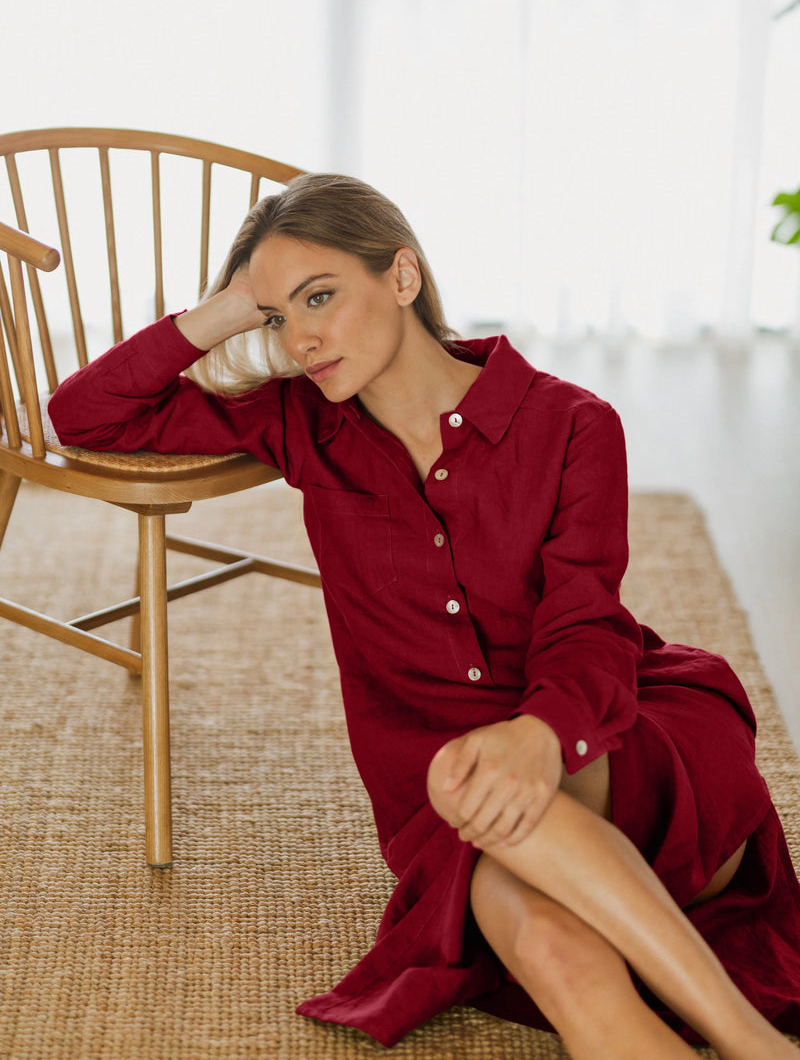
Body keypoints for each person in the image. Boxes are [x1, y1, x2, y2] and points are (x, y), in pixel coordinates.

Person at [48, 173, 800, 1060]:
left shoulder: (571, 423)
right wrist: (221, 312)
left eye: (320, 296)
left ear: (402, 277)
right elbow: (81, 415)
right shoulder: (301, 425)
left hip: (609, 738)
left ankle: (752, 1045)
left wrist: (539, 735)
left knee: (476, 780)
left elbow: (585, 620)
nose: (303, 337)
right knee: (549, 946)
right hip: (440, 799)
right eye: (278, 316)